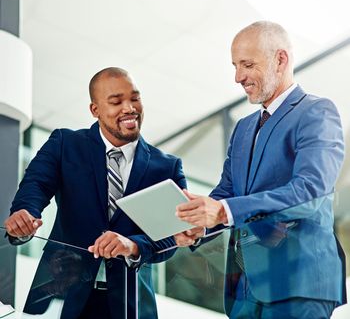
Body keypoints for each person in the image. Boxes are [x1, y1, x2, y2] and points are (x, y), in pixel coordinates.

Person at [175, 21, 346, 318]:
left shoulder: (316, 112)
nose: (238, 77)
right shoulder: (242, 129)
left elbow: (310, 191)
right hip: (243, 288)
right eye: (235, 66)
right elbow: (226, 194)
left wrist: (223, 211)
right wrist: (200, 223)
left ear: (280, 60)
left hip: (298, 282)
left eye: (247, 64)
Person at [4, 67, 186, 319]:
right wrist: (25, 213)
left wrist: (133, 245)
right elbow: (36, 184)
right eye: (116, 101)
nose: (129, 108)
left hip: (130, 301)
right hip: (63, 290)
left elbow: (173, 236)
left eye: (134, 98)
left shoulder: (167, 167)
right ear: (95, 110)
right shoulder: (65, 143)